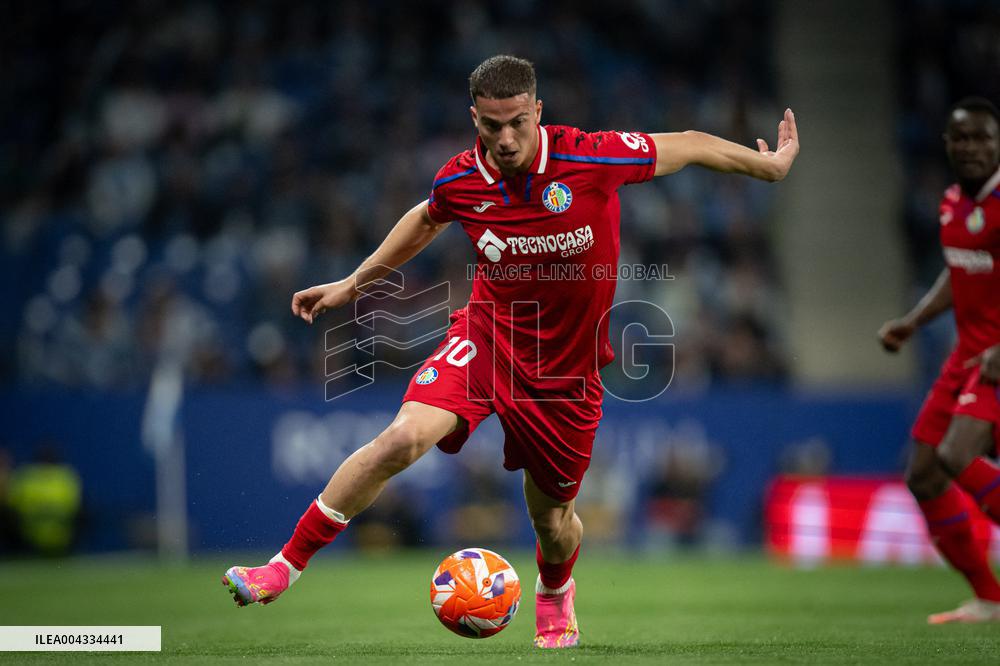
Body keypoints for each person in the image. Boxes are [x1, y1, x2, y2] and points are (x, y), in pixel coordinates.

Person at [223, 55, 799, 647]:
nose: (505, 138)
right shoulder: (461, 178)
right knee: (400, 439)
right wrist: (353, 282)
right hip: (489, 339)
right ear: (474, 118)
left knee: (552, 521)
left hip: (567, 375)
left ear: (538, 111)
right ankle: (283, 567)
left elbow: (690, 142)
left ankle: (554, 591)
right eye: (491, 125)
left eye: (517, 122)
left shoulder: (590, 155)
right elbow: (426, 218)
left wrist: (769, 168)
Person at [879, 96, 1000, 625]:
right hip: (967, 356)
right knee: (924, 475)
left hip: (996, 358)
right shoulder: (952, 201)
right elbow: (959, 270)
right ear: (948, 145)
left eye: (983, 138)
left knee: (955, 453)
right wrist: (914, 320)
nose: (972, 147)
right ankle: (990, 597)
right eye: (962, 138)